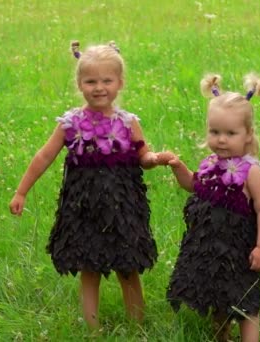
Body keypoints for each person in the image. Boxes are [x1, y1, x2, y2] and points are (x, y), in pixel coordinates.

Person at [9, 40, 167, 329]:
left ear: (119, 83)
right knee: (89, 267)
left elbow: (143, 155)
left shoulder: (129, 123)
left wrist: (156, 159)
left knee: (128, 267)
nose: (99, 87)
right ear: (80, 84)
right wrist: (22, 190)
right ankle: (91, 329)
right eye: (90, 81)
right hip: (83, 208)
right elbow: (44, 155)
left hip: (122, 208)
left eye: (107, 80)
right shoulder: (70, 123)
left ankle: (137, 326)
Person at [159, 73, 260, 342]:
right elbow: (193, 185)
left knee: (245, 298)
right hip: (209, 247)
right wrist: (178, 167)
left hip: (238, 249)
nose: (221, 139)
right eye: (215, 132)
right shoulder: (209, 163)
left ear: (247, 136)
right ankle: (221, 335)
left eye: (231, 133)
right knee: (217, 293)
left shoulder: (251, 171)